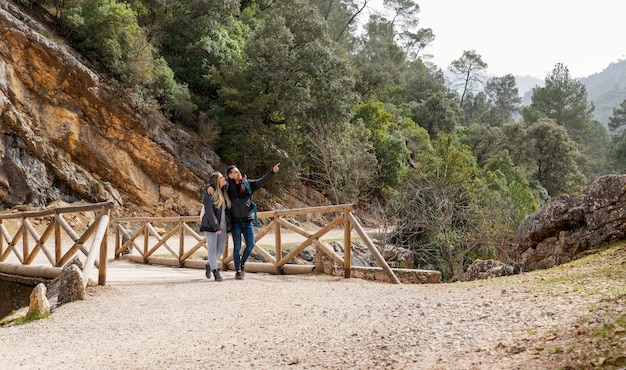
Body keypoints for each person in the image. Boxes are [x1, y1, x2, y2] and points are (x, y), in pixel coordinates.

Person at [211, 163, 280, 280]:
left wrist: (272, 172)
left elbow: (261, 181)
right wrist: (208, 186)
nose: (238, 173)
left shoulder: (248, 184)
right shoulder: (226, 186)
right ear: (230, 175)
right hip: (235, 222)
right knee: (237, 247)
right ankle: (238, 270)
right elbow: (215, 183)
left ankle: (242, 263)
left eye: (238, 171)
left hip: (247, 221)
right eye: (235, 172)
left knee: (251, 244)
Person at [199, 172, 231, 282]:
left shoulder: (223, 190)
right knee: (212, 250)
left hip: (222, 226)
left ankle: (209, 264)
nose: (224, 178)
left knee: (220, 250)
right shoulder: (209, 194)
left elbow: (231, 180)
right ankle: (216, 272)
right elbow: (209, 211)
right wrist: (216, 226)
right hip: (210, 225)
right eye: (221, 177)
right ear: (217, 181)